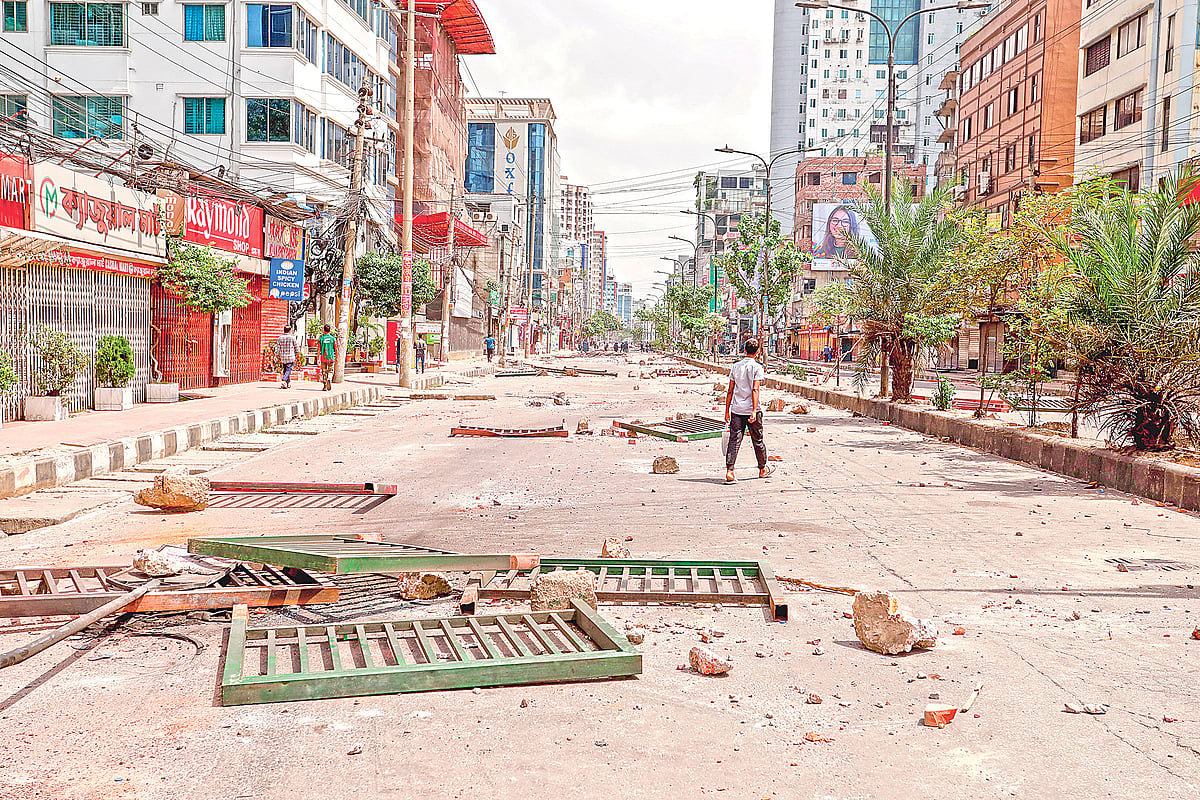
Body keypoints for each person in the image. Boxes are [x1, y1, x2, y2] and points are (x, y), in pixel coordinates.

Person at [723, 338, 772, 484]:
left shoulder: (735, 366)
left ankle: (730, 471)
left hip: (737, 409)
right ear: (757, 352)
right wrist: (754, 411)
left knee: (734, 440)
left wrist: (727, 410)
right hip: (752, 410)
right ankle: (762, 469)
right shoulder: (757, 367)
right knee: (757, 439)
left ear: (744, 350)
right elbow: (755, 389)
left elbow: (730, 390)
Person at [318, 324, 337, 391]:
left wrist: (318, 358)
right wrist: (336, 357)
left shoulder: (321, 339)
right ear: (330, 330)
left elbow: (319, 349)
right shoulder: (333, 339)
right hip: (331, 357)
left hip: (323, 357)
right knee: (330, 370)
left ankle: (325, 386)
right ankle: (329, 378)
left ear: (324, 330)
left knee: (324, 372)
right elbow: (335, 348)